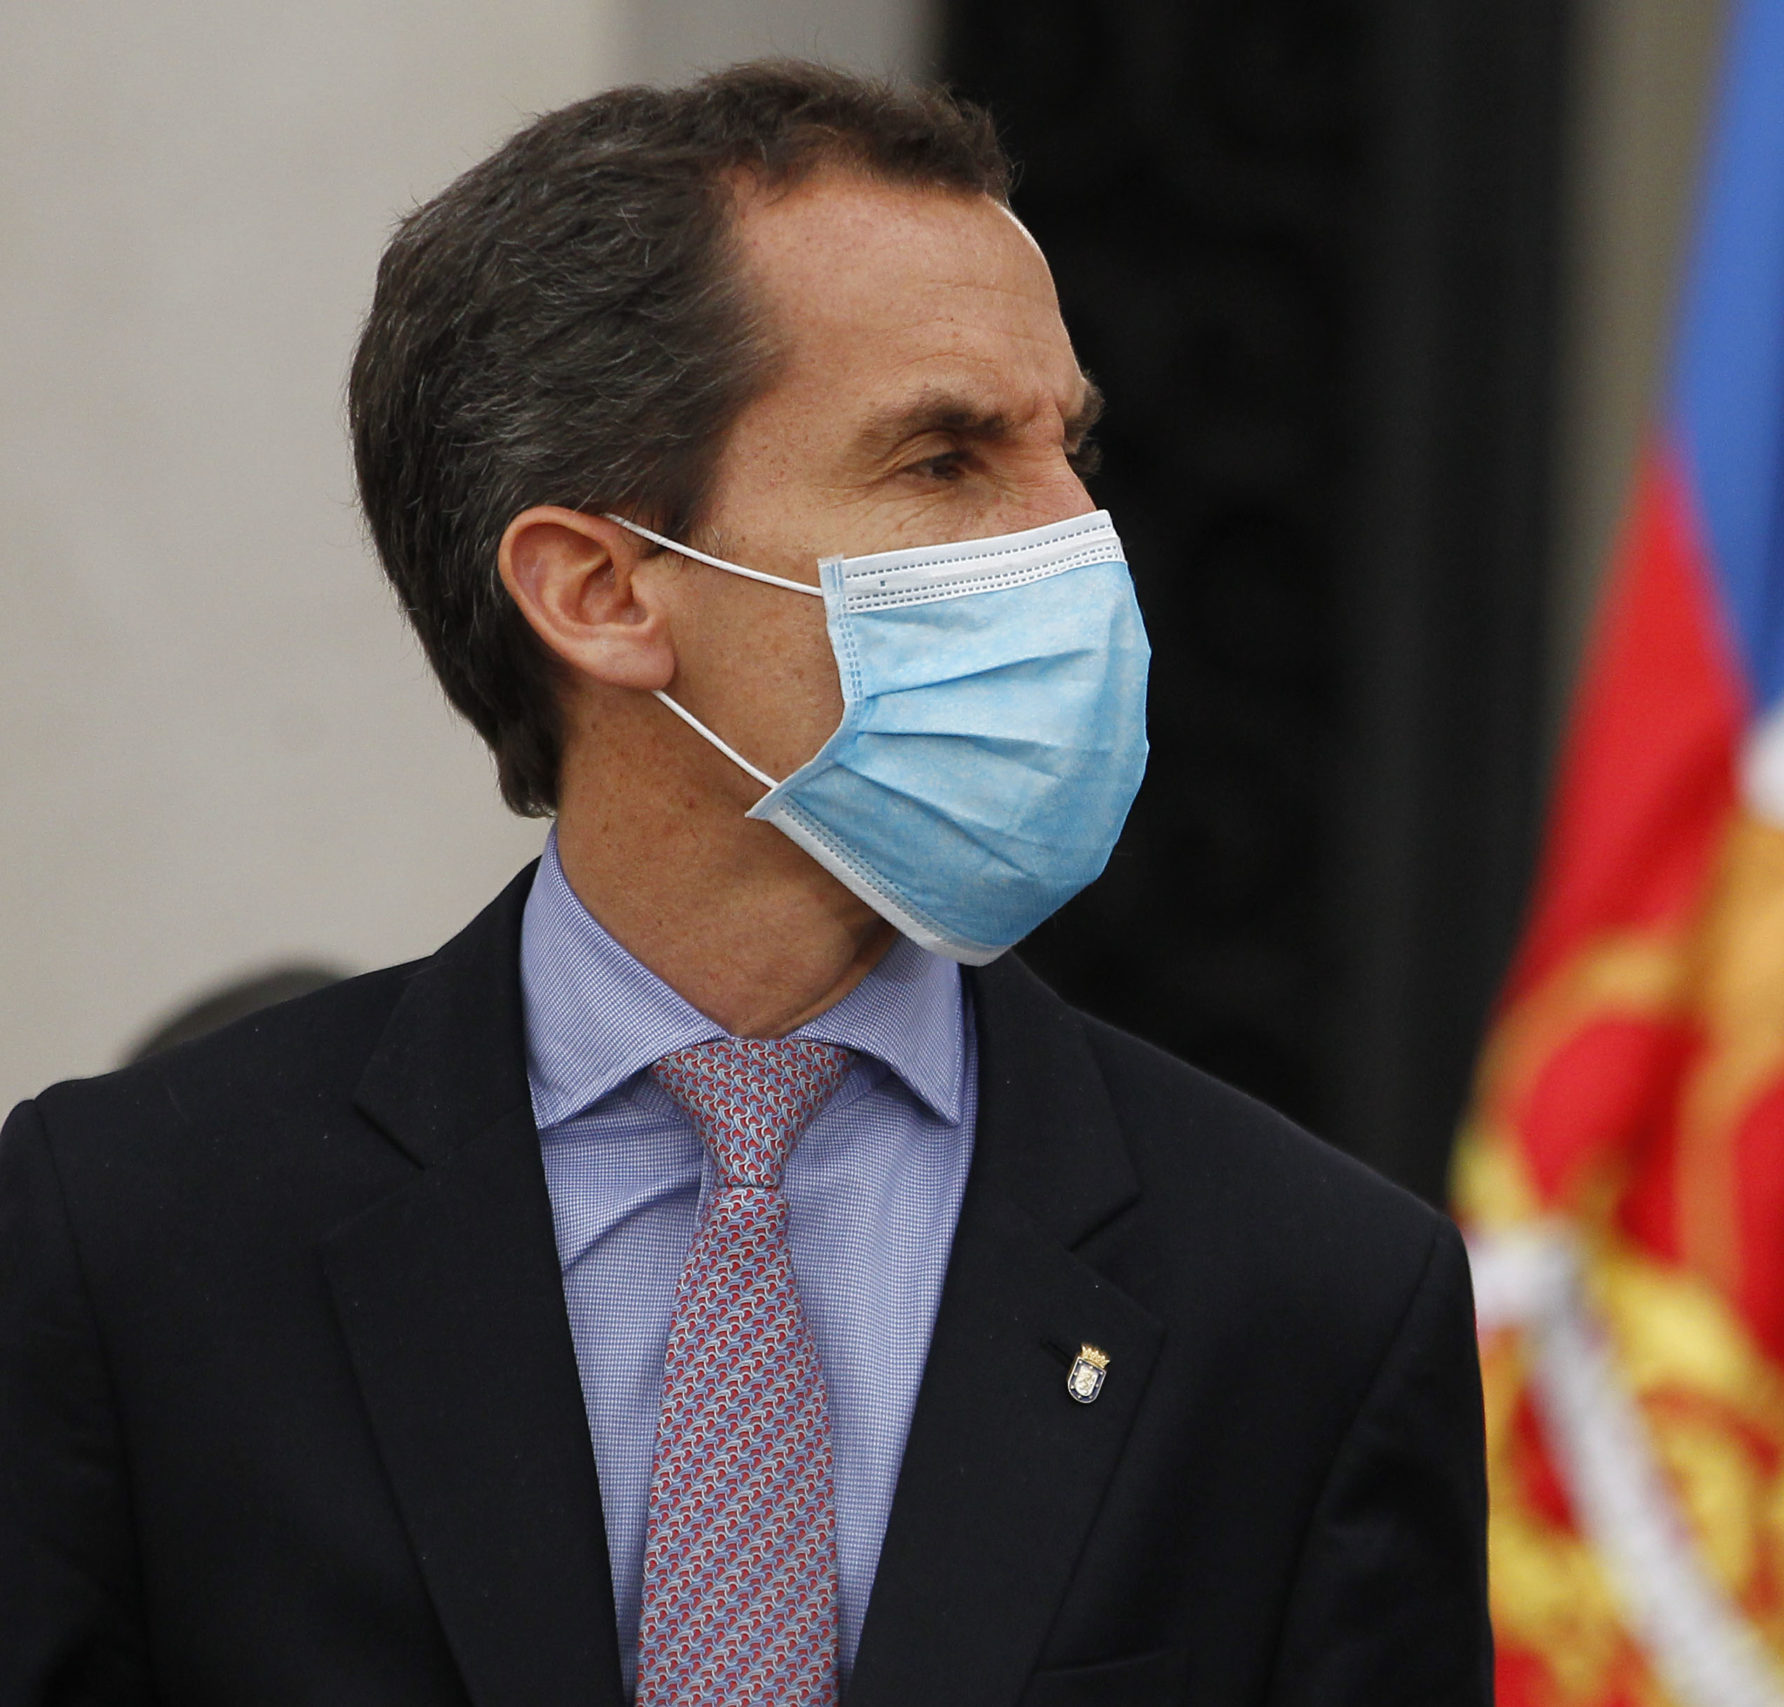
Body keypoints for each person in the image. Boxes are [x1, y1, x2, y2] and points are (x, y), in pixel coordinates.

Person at [0, 64, 1491, 1707]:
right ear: (600, 589)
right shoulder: (136, 1239)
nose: (1080, 541)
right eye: (946, 458)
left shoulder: (1310, 1297)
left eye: (1069, 448)